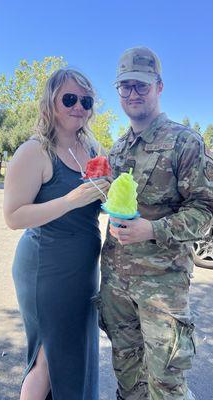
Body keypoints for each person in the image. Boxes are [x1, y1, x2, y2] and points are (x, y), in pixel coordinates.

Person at [98, 47, 213, 399]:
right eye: (125, 86)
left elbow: (206, 212)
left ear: (159, 87)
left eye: (141, 86)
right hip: (117, 286)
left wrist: (153, 229)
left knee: (166, 385)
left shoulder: (184, 142)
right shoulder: (117, 149)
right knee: (128, 379)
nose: (132, 94)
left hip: (162, 290)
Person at [3, 68, 110, 400]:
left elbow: (97, 204)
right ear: (51, 102)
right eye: (69, 98)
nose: (79, 106)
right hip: (46, 270)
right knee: (49, 359)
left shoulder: (92, 147)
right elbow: (14, 216)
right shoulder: (34, 151)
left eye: (86, 100)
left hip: (83, 273)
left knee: (74, 354)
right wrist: (70, 200)